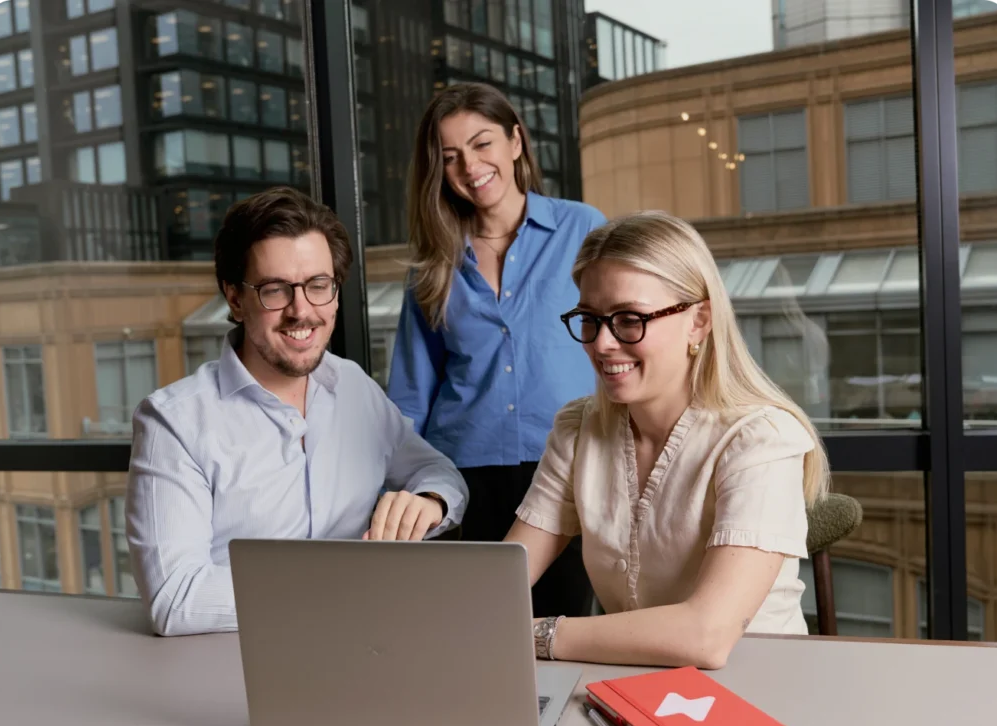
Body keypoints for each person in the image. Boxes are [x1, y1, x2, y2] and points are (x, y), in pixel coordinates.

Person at [126, 187, 468, 637]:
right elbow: (175, 599)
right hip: (236, 671)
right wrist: (341, 584)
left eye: (318, 286)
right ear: (234, 298)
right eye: (275, 290)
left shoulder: (354, 387)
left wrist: (429, 501)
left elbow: (438, 471)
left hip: (367, 650)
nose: (302, 310)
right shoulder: (174, 423)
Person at [507, 211, 831, 669]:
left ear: (698, 321)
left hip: (755, 688)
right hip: (632, 684)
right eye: (590, 319)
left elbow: (705, 636)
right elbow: (503, 581)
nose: (601, 344)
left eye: (629, 319)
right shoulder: (578, 430)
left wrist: (531, 633)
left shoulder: (762, 439)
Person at [386, 82, 606, 619]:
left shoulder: (583, 228)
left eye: (482, 144)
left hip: (567, 465)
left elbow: (620, 334)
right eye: (451, 156)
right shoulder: (432, 267)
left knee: (564, 627)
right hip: (463, 478)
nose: (470, 167)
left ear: (515, 142)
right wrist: (397, 490)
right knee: (473, 628)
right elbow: (411, 396)